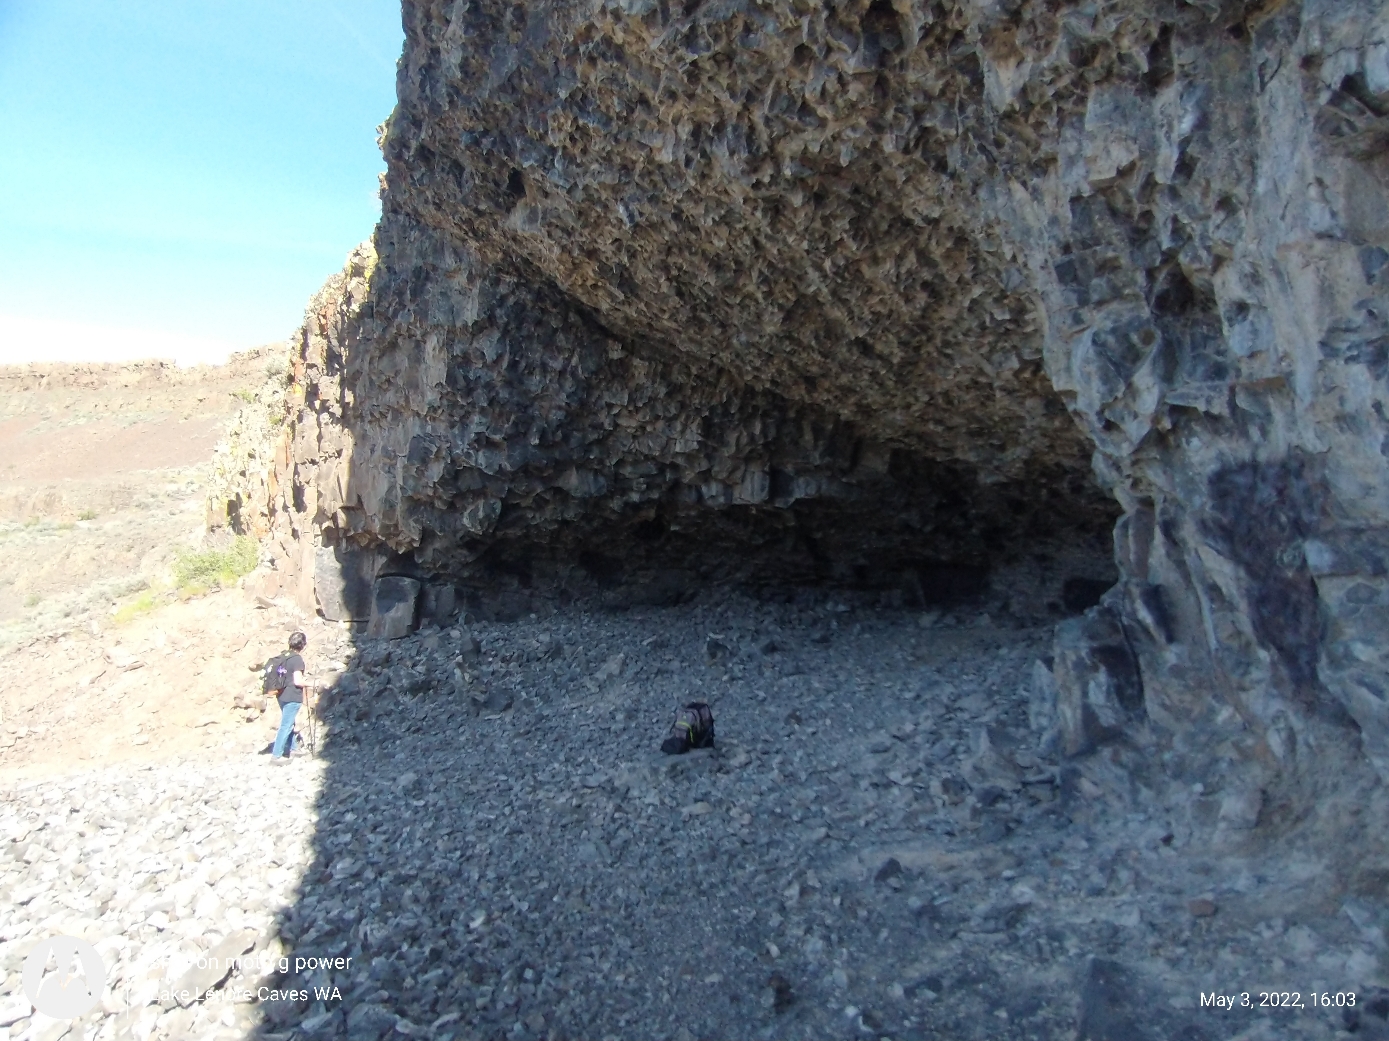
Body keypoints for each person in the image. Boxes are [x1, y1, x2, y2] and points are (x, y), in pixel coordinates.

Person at [271, 631, 309, 762]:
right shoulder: (297, 660)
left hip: (281, 695)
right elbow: (298, 681)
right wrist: (311, 683)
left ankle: (293, 748)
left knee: (289, 722)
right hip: (292, 696)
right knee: (286, 725)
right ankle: (276, 755)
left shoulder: (283, 656)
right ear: (302, 645)